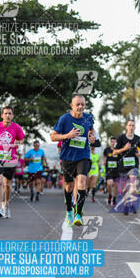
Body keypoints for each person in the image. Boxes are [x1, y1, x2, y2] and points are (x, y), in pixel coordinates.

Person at [51, 94, 96, 226]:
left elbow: (91, 131)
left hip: (83, 155)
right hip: (68, 157)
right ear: (72, 105)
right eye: (78, 104)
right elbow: (53, 137)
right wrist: (68, 135)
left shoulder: (88, 118)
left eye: (83, 104)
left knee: (82, 181)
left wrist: (91, 137)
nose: (81, 107)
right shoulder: (64, 119)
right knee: (69, 185)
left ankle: (78, 214)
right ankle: (69, 210)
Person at [0, 106, 25, 218]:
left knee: (8, 184)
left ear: (12, 116)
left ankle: (6, 205)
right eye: (5, 113)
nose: (7, 115)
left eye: (10, 113)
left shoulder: (16, 127)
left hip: (11, 157)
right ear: (2, 115)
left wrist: (16, 144)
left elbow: (22, 139)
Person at [113, 120, 140, 215]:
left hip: (133, 166)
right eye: (129, 125)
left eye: (133, 125)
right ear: (126, 127)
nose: (131, 127)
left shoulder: (138, 138)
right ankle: (128, 204)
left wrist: (139, 153)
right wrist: (124, 149)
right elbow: (114, 152)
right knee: (124, 189)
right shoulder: (121, 138)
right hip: (122, 167)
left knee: (133, 185)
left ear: (135, 127)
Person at [103, 136, 119, 206]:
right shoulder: (107, 149)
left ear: (115, 142)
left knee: (115, 185)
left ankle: (114, 199)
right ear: (110, 142)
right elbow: (104, 156)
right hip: (109, 170)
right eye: (112, 141)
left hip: (116, 170)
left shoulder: (117, 150)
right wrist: (104, 161)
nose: (113, 143)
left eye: (114, 142)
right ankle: (110, 195)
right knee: (109, 183)